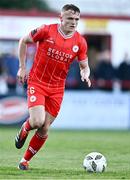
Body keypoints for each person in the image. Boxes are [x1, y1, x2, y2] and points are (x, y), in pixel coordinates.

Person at [15, 4, 91, 170]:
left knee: (45, 128)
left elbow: (84, 65)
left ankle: (24, 161)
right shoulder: (46, 30)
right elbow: (23, 41)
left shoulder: (80, 41)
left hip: (57, 88)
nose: (74, 22)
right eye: (70, 18)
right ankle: (25, 128)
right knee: (37, 121)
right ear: (61, 18)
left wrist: (85, 73)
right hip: (38, 82)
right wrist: (22, 67)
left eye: (77, 19)